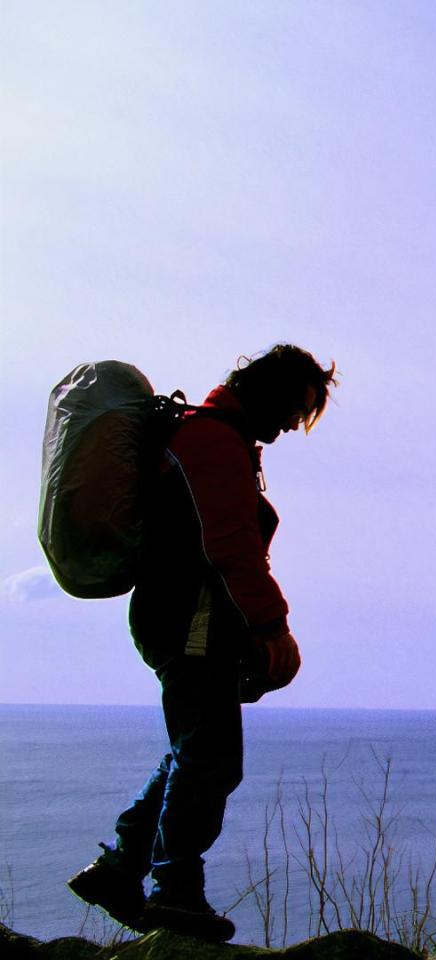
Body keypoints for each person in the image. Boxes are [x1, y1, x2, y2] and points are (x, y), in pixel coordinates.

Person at [66, 344, 338, 942]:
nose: (292, 426)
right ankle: (174, 893)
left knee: (195, 745)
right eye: (295, 409)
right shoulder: (214, 443)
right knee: (210, 756)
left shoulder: (216, 437)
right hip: (189, 617)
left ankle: (119, 868)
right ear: (270, 391)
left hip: (189, 616)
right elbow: (230, 545)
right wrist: (273, 628)